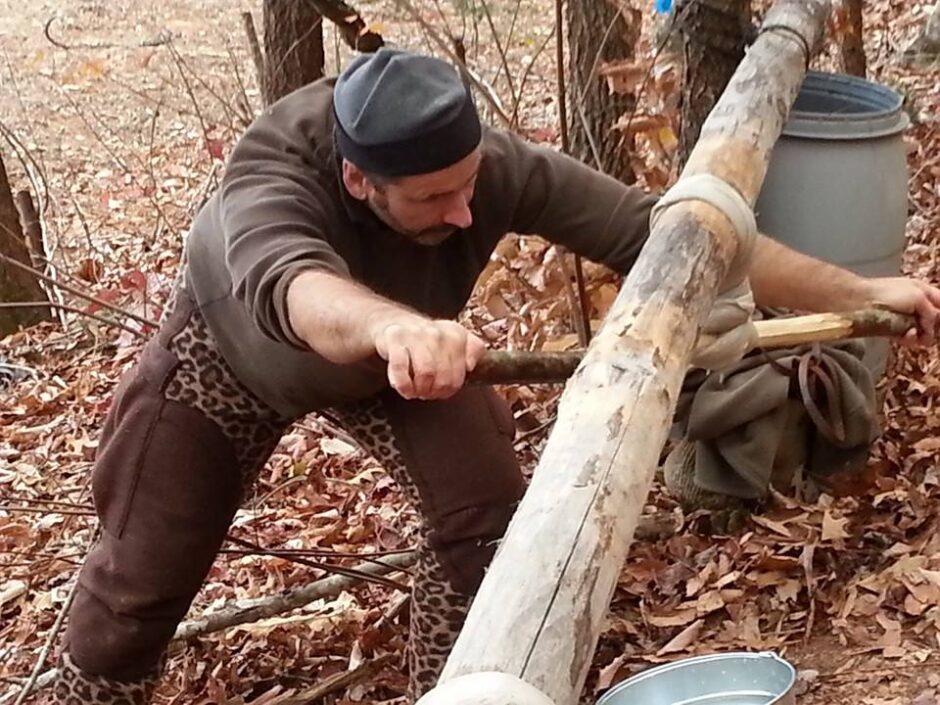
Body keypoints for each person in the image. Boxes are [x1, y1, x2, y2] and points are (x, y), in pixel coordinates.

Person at [50, 48, 940, 704]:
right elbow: (301, 291)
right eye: (435, 199)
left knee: (485, 525)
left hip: (412, 360)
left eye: (471, 183)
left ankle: (457, 688)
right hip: (236, 360)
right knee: (137, 581)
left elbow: (679, 238)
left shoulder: (484, 165)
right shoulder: (269, 178)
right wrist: (398, 328)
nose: (467, 209)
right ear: (359, 182)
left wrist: (863, 290)